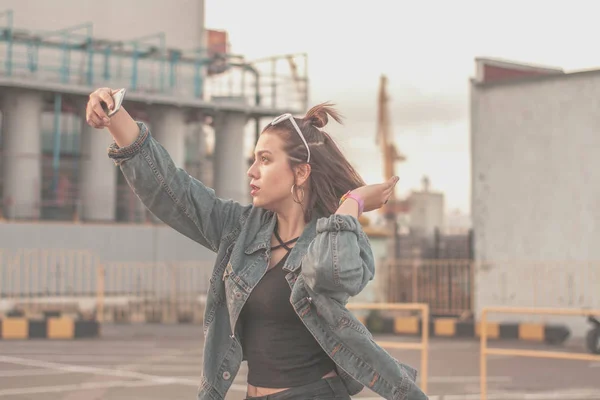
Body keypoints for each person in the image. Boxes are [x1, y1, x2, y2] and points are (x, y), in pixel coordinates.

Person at [85, 88, 428, 400]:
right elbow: (173, 192)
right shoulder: (241, 230)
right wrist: (115, 116)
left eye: (265, 160)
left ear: (301, 173)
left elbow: (333, 274)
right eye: (254, 159)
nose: (251, 171)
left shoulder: (333, 237)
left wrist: (351, 202)